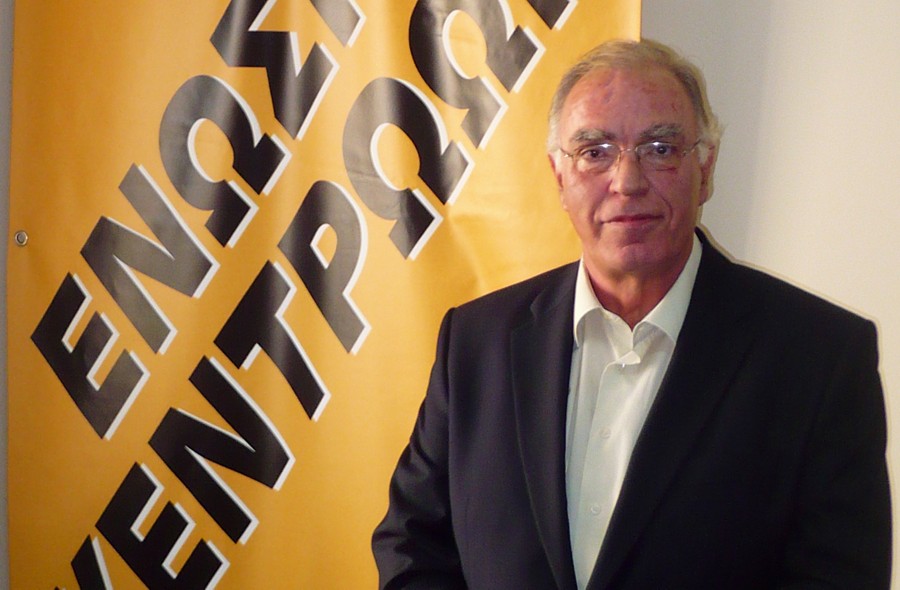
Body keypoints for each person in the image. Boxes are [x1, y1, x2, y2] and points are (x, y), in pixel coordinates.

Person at [372, 38, 892, 589]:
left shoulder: (819, 360)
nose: (627, 181)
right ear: (559, 176)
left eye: (660, 148)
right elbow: (411, 546)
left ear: (706, 168)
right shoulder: (476, 343)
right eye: (594, 151)